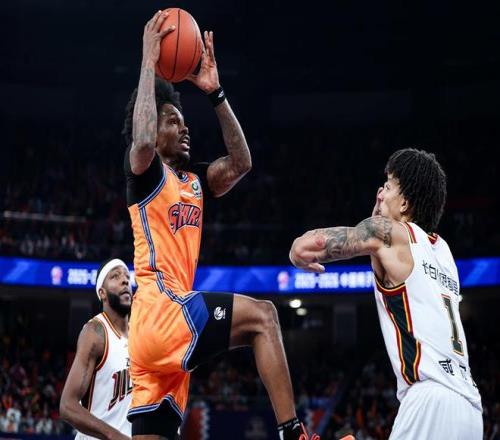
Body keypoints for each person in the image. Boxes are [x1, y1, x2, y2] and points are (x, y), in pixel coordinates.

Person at [122, 10, 318, 440]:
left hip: (152, 339)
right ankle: (294, 434)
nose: (185, 128)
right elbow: (142, 139)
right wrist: (148, 61)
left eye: (184, 121)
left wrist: (216, 93)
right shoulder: (145, 173)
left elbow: (242, 163)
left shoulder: (195, 181)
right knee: (264, 317)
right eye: (173, 121)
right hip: (163, 310)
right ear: (155, 128)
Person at [289, 148, 483, 439]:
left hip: (429, 398)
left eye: (388, 186)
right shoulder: (444, 253)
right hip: (469, 409)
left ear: (404, 203)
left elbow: (306, 247)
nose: (380, 193)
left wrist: (295, 251)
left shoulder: (388, 234)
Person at [60, 259, 133, 440]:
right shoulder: (96, 332)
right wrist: (115, 436)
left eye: (126, 276)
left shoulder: (139, 335)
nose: (125, 280)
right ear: (102, 293)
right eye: (115, 276)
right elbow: (67, 406)